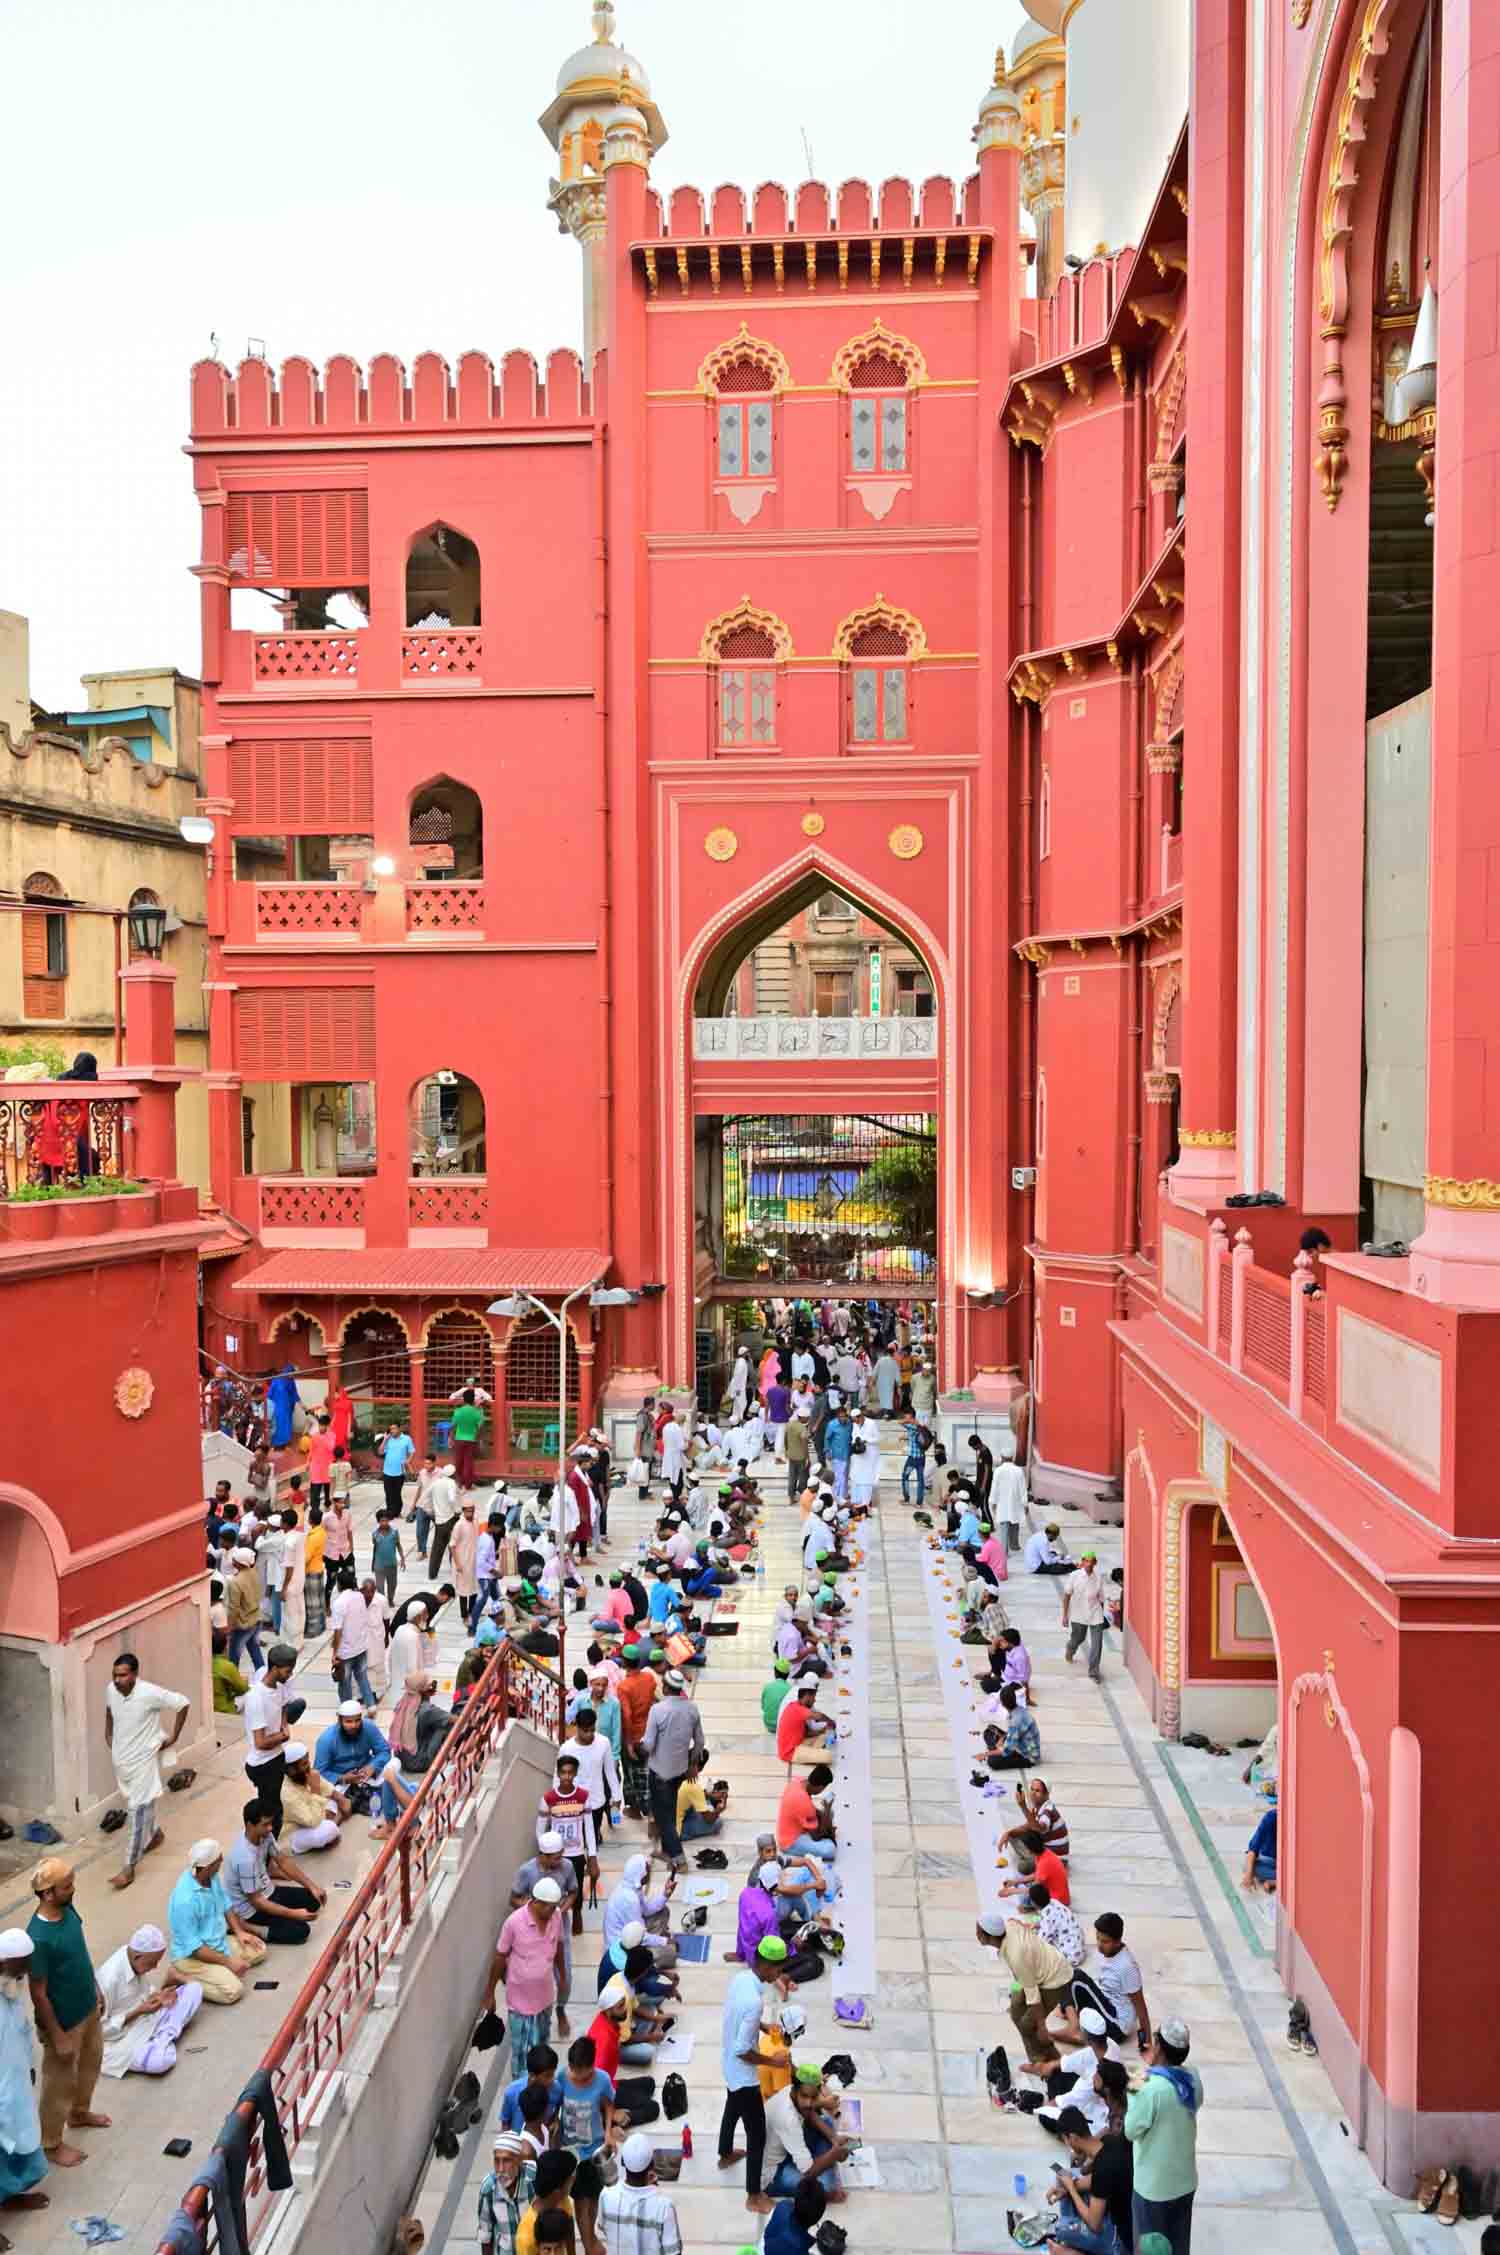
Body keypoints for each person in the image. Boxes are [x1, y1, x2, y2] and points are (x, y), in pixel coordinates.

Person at [25, 1860, 108, 2168]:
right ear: (47, 1894)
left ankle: (79, 2113)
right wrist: (58, 2035)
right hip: (63, 2023)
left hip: (87, 2008)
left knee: (91, 2064)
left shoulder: (69, 1910)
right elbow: (38, 1992)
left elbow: (80, 1952)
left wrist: (95, 1987)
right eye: (67, 1886)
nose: (73, 1890)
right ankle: (51, 2144)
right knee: (59, 2085)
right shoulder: (39, 1937)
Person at [103, 1651, 189, 1892]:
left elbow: (182, 1703)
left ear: (135, 1674)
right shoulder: (111, 1690)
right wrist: (108, 1735)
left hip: (143, 1761)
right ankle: (156, 1835)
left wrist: (174, 1737)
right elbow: (109, 1711)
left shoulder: (149, 1693)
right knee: (137, 1801)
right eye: (115, 1675)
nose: (118, 1680)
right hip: (122, 1762)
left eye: (123, 1675)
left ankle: (128, 1866)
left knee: (137, 1810)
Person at [719, 1935, 792, 2216]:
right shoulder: (755, 2001)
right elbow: (742, 2050)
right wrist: (771, 2061)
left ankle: (725, 2153)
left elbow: (737, 2018)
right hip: (744, 2075)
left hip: (727, 2064)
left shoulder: (741, 1981)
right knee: (757, 2134)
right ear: (764, 1964)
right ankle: (753, 2195)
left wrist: (760, 2027)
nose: (778, 1975)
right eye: (777, 1969)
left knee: (731, 2108)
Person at [1124, 2019, 1201, 2255]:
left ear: (1157, 2046)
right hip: (1184, 2181)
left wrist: (1134, 2083)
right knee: (1178, 2246)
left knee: (1150, 2249)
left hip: (1154, 2189)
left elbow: (1130, 2129)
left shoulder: (1150, 2087)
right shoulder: (1192, 2078)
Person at [167, 1840, 267, 2003]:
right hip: (193, 1956)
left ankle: (219, 1970)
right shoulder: (184, 1901)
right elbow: (196, 1949)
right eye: (218, 1859)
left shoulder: (210, 1877)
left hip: (216, 1941)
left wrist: (240, 1932)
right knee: (233, 1991)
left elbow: (226, 1904)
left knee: (259, 1950)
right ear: (207, 1867)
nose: (222, 1860)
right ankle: (178, 1976)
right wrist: (228, 1962)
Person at [95, 1926, 201, 2079]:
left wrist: (159, 1997)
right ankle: (163, 2037)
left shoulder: (131, 1957)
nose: (155, 1967)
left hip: (145, 2019)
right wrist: (139, 2011)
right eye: (152, 1962)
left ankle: (162, 2037)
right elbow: (100, 2032)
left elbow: (143, 1994)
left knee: (194, 1989)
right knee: (161, 2062)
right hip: (119, 2040)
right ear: (138, 1957)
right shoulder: (108, 1979)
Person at [976, 1907, 1074, 2065]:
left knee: (1029, 2025)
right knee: (1015, 2009)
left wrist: (1041, 2027)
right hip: (1030, 1972)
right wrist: (1016, 1993)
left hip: (1054, 1980)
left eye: (978, 1931)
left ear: (988, 1935)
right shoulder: (1009, 1926)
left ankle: (1045, 2058)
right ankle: (1038, 2053)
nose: (976, 1934)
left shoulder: (1016, 1956)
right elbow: (1021, 1922)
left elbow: (1034, 1999)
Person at [488, 1878, 568, 2066]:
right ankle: (521, 2085)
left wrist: (562, 1976)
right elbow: (500, 1957)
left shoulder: (555, 1916)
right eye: (549, 1906)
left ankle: (541, 2080)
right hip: (520, 2001)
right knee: (522, 2050)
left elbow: (559, 1945)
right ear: (536, 1902)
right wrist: (489, 1992)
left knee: (541, 2044)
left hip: (545, 1997)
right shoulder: (514, 1923)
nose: (553, 1910)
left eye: (555, 1906)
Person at [224, 1801, 326, 1944]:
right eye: (265, 1824)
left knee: (314, 1899)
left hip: (267, 1891)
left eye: (270, 1823)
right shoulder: (244, 1858)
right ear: (250, 1825)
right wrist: (293, 1914)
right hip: (251, 1909)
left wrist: (312, 1886)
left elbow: (282, 1860)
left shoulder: (264, 1835)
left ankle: (285, 1916)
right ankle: (251, 1928)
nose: (270, 1828)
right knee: (301, 1931)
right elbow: (257, 1901)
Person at [0, 1929, 48, 2213]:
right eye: (23, 1965)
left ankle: (9, 2196)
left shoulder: (12, 1985)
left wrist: (29, 2066)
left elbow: (21, 2029)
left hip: (14, 2082)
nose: (27, 1971)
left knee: (18, 2143)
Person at [1046, 2105, 1135, 2255]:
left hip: (1118, 2238)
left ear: (1073, 2137)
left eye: (1066, 2141)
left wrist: (1072, 2190)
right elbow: (1092, 2179)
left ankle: (1072, 2250)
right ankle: (1075, 2233)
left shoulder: (1102, 2169)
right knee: (1063, 2175)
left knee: (1061, 2228)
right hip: (1122, 2211)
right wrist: (1066, 2188)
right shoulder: (1109, 2141)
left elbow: (1095, 2225)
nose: (1068, 2145)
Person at [557, 2033, 616, 2255]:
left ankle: (590, 2238)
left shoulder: (602, 2080)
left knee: (593, 2201)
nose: (576, 2075)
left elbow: (609, 2105)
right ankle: (590, 2246)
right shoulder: (562, 2078)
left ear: (591, 2066)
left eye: (581, 2070)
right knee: (581, 2203)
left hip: (595, 2152)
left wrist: (609, 2132)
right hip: (572, 2154)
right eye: (573, 2068)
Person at [641, 1671, 704, 1871]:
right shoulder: (691, 1709)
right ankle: (667, 1852)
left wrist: (637, 1747)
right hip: (680, 1770)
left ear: (666, 1688)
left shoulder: (657, 1710)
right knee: (669, 1810)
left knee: (663, 1817)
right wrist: (692, 1763)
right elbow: (700, 1742)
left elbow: (649, 1745)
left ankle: (679, 1859)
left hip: (660, 1773)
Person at [1066, 1915, 1152, 2054]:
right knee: (1067, 1978)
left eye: (1105, 1941)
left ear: (1117, 1941)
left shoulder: (1127, 1967)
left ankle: (1073, 2029)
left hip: (1116, 2025)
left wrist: (1146, 2044)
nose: (1099, 1944)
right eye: (1098, 1938)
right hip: (1106, 2005)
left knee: (1076, 1977)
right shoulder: (1103, 1952)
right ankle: (1072, 2018)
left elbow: (1141, 2009)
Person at [762, 2067, 850, 2201]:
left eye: (813, 2097)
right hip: (773, 2172)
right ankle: (819, 2160)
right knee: (826, 2186)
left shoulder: (791, 2092)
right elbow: (808, 2172)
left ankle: (816, 2157)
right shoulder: (788, 2119)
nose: (808, 2103)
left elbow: (809, 2112)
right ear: (795, 2090)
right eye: (804, 2096)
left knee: (826, 2123)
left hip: (787, 2148)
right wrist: (834, 2155)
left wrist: (834, 2137)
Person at [243, 1642, 302, 1828]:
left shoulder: (280, 1686)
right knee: (272, 1814)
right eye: (287, 1670)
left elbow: (283, 1705)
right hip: (262, 1764)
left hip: (276, 1757)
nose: (290, 1674)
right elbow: (260, 1742)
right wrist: (283, 1736)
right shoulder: (256, 1697)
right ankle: (267, 1851)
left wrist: (284, 1724)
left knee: (275, 1807)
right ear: (275, 1668)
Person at [598, 2130, 683, 2255]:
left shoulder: (606, 2196)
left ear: (623, 2162)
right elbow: (673, 2252)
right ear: (652, 2165)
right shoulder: (664, 2207)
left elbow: (604, 2228)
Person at [314, 1701, 392, 1815]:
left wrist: (373, 1766)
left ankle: (361, 1798)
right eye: (348, 1721)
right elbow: (319, 1772)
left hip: (367, 1775)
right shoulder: (326, 1740)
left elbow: (384, 1751)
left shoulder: (369, 1727)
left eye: (357, 1720)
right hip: (342, 1783)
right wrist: (342, 1778)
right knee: (330, 1806)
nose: (354, 1725)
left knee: (395, 1764)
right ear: (340, 1720)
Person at [280, 1741, 345, 1852]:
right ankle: (335, 1821)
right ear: (291, 1770)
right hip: (296, 1830)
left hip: (313, 1811)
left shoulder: (303, 1774)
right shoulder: (287, 1794)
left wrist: (341, 1799)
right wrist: (315, 1790)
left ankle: (332, 1821)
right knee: (329, 1830)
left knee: (340, 1790)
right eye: (304, 1764)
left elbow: (330, 1790)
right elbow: (314, 1821)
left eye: (308, 1761)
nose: (309, 1766)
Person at [478, 2130, 536, 2255]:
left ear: (519, 2160)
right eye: (496, 2161)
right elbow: (485, 2234)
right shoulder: (488, 2189)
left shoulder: (533, 2179)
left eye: (506, 2161)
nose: (500, 2169)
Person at [516, 2147, 579, 2255]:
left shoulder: (563, 2201)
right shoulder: (526, 2237)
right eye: (570, 2179)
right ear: (557, 2191)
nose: (574, 2180)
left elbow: (569, 2232)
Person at [1063, 1550, 1110, 1682]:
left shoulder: (1098, 1577)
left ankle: (1094, 1672)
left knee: (1097, 1644)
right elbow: (1066, 1595)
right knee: (1078, 1638)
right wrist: (1065, 1615)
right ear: (1082, 1562)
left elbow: (1101, 1598)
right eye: (1086, 1561)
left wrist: (1102, 1616)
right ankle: (1070, 1649)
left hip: (1095, 1613)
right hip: (1078, 1614)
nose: (1088, 1564)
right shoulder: (1074, 1576)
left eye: (1091, 1561)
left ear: (1095, 1563)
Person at [330, 1577, 377, 1710]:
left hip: (346, 1651)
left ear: (339, 1585)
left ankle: (348, 1709)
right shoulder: (360, 1597)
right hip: (361, 1646)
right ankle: (371, 1705)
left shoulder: (339, 1603)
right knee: (362, 1677)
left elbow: (338, 1630)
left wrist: (335, 1653)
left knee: (345, 1682)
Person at [776, 1763, 836, 1861]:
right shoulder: (804, 1802)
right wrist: (827, 1810)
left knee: (822, 1816)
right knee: (830, 1849)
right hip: (790, 1843)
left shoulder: (798, 1781)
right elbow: (816, 1836)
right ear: (821, 1787)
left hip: (787, 1832)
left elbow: (811, 1811)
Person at [776, 1681, 837, 1767]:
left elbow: (806, 1733)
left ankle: (812, 1753)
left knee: (824, 1736)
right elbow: (819, 1716)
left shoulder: (796, 1706)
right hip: (790, 1752)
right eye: (814, 1697)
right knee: (828, 1756)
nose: (814, 1700)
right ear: (807, 1695)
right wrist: (831, 1722)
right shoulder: (798, 1708)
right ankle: (814, 1754)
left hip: (799, 1743)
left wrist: (823, 1730)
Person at [225, 1546, 266, 1673]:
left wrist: (229, 1627)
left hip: (243, 1624)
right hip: (257, 1618)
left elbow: (234, 1608)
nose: (232, 1560)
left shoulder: (235, 1582)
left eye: (234, 1559)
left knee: (233, 1657)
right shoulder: (254, 1573)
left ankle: (232, 1683)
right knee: (255, 1651)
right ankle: (262, 1676)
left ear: (239, 1563)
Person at [763, 2176, 828, 2255]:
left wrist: (813, 2240)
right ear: (817, 2218)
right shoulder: (799, 2247)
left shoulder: (784, 2205)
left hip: (767, 2246)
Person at [677, 1753, 729, 1842]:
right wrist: (719, 1810)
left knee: (700, 1805)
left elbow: (690, 1794)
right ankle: (685, 1833)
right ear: (700, 1768)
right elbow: (709, 1819)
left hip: (667, 1819)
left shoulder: (676, 1772)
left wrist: (709, 1795)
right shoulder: (692, 1786)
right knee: (718, 1822)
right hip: (677, 1830)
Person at [426, 1462, 463, 1582]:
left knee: (437, 1548)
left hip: (439, 1520)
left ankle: (432, 1573)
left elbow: (427, 1495)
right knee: (454, 1546)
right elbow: (452, 1499)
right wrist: (457, 1510)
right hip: (450, 1519)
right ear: (453, 1474)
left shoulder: (436, 1482)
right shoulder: (451, 1483)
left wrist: (431, 1510)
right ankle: (456, 1571)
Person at [450, 1387, 488, 1490]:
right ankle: (468, 1485)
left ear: (464, 1399)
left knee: (458, 1461)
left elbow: (453, 1425)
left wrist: (451, 1438)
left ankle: (459, 1483)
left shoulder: (458, 1411)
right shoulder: (477, 1412)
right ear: (473, 1400)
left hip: (459, 1439)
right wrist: (477, 1437)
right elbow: (481, 1427)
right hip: (471, 1440)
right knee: (468, 1462)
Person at [1241, 1798, 1278, 1893]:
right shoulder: (1271, 1817)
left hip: (1291, 1865)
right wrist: (1248, 1875)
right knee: (1247, 1866)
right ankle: (1282, 1880)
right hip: (1271, 1860)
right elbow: (1253, 1849)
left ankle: (1276, 1882)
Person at [371, 1509, 406, 1609]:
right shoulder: (375, 1534)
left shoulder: (394, 1533)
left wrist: (402, 1559)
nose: (384, 1523)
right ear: (378, 1521)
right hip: (379, 1565)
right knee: (380, 1586)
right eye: (382, 1521)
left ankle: (390, 1599)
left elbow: (398, 1545)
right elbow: (375, 1546)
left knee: (392, 1585)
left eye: (386, 1520)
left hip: (392, 1564)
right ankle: (383, 1603)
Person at [212, 1629, 249, 1718]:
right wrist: (245, 1681)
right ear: (225, 1647)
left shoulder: (201, 1662)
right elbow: (243, 1689)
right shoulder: (227, 1667)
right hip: (224, 1710)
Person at [267, 1360, 300, 1451]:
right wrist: (269, 1407)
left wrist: (302, 1405)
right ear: (288, 1371)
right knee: (277, 1424)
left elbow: (294, 1393)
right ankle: (277, 1444)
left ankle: (284, 1443)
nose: (293, 1376)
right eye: (292, 1374)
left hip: (288, 1407)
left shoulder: (291, 1381)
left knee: (286, 1425)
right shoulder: (276, 1380)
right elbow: (269, 1395)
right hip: (277, 1407)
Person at [900, 1411, 929, 1506]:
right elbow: (914, 1436)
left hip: (913, 1459)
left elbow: (900, 1422)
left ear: (912, 1417)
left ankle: (907, 1499)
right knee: (920, 1480)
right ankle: (919, 1503)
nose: (906, 1419)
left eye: (907, 1417)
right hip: (921, 1458)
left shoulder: (912, 1426)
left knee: (905, 1477)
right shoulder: (920, 1427)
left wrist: (909, 1421)